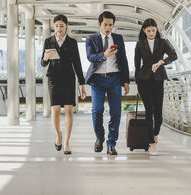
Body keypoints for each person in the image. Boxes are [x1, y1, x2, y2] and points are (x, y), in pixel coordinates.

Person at [85, 11, 130, 155]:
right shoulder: (91, 38)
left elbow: (123, 60)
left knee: (116, 112)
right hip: (97, 79)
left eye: (110, 25)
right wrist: (104, 55)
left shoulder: (118, 38)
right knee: (97, 110)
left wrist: (126, 81)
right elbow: (90, 57)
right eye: (105, 24)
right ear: (99, 24)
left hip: (114, 79)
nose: (108, 27)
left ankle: (111, 144)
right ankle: (99, 137)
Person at [41, 14, 86, 155]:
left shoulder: (72, 42)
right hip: (53, 78)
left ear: (66, 26)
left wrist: (82, 84)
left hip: (68, 79)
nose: (59, 28)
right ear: (53, 27)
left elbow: (77, 63)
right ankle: (58, 135)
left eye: (61, 25)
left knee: (68, 110)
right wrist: (45, 58)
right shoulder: (48, 41)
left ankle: (66, 142)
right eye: (56, 26)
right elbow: (43, 63)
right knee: (54, 110)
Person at [134, 18, 177, 155]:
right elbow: (136, 66)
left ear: (156, 30)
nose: (151, 33)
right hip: (143, 80)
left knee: (158, 113)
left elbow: (173, 55)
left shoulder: (163, 42)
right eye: (148, 31)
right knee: (149, 110)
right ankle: (151, 143)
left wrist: (161, 62)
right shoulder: (140, 44)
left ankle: (155, 132)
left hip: (158, 78)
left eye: (153, 30)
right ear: (144, 31)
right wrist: (137, 87)